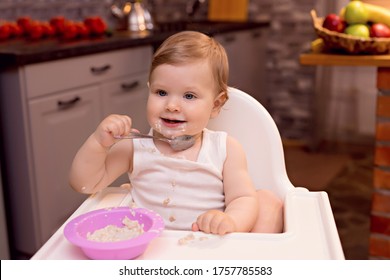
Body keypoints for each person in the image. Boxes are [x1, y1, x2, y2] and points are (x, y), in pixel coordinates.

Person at [69, 31, 283, 235]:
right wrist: (98, 143)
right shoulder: (135, 147)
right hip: (151, 247)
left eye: (189, 96)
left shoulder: (225, 149)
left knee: (266, 201)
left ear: (216, 105)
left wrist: (230, 221)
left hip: (207, 244)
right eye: (161, 92)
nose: (171, 105)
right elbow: (85, 183)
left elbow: (243, 198)